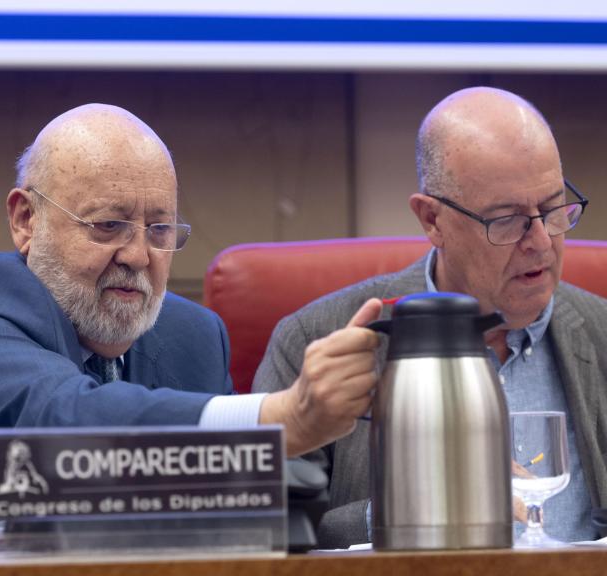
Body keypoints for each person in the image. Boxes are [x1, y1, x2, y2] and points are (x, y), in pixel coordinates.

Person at [0, 103, 382, 524]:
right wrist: (284, 418)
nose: (140, 255)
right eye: (107, 225)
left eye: (159, 228)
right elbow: (61, 427)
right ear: (26, 220)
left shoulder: (192, 337)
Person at [254, 86, 607, 547]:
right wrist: (413, 512)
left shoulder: (600, 333)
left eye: (553, 208)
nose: (541, 241)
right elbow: (261, 525)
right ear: (432, 220)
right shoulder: (319, 337)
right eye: (507, 219)